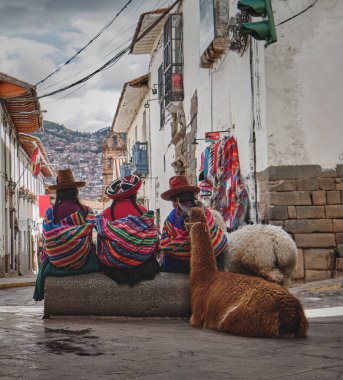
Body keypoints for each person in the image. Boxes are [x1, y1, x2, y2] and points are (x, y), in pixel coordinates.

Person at [33, 168, 100, 301]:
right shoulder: (85, 211)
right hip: (81, 260)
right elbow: (89, 233)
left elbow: (47, 236)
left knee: (45, 252)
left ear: (58, 192)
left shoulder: (51, 212)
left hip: (56, 260)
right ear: (75, 190)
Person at [96, 174, 160, 285]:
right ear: (135, 194)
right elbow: (154, 241)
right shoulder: (143, 212)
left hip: (115, 269)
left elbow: (101, 245)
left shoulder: (105, 214)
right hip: (142, 267)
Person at [160, 175, 228, 273]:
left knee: (167, 259)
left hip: (187, 264)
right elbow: (215, 232)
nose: (173, 205)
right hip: (214, 258)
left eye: (172, 201)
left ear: (177, 200)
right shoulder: (205, 211)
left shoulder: (174, 215)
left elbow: (165, 243)